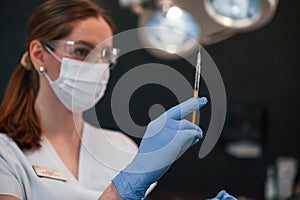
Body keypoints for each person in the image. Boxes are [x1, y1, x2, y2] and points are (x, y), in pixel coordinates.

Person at [0, 0, 235, 200]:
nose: (97, 66)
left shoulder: (122, 149)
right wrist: (120, 189)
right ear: (39, 55)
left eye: (104, 55)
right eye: (82, 51)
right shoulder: (6, 152)